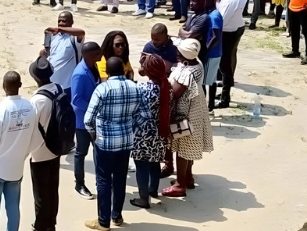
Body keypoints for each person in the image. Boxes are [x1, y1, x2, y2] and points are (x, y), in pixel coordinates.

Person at [83, 57, 151, 231]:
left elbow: (88, 120)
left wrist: (95, 136)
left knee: (103, 180)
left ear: (107, 71)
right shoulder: (135, 87)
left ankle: (103, 221)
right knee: (120, 179)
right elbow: (145, 115)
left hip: (105, 143)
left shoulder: (102, 89)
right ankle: (117, 216)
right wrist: (131, 128)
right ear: (123, 70)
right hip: (126, 141)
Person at [0, 71, 42, 231]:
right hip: (16, 170)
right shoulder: (30, 107)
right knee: (13, 208)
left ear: (3, 86)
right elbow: (36, 139)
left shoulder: (0, 110)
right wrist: (21, 155)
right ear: (20, 86)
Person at [162, 38, 213, 198]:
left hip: (186, 115)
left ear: (183, 55)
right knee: (187, 148)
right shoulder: (196, 64)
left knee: (183, 150)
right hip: (196, 111)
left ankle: (180, 184)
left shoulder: (187, 73)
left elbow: (174, 93)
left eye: (178, 51)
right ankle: (187, 178)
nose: (175, 52)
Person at [130, 54, 171, 209]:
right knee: (154, 163)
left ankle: (143, 198)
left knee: (141, 167)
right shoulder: (167, 88)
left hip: (142, 135)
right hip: (160, 134)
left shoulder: (142, 88)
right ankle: (153, 190)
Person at [28, 57, 62, 231]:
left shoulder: (37, 101)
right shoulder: (57, 89)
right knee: (52, 191)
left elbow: (32, 129)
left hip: (40, 152)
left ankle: (41, 226)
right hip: (57, 148)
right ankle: (51, 224)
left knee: (40, 195)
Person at [71, 41, 102, 200]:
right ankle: (79, 184)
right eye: (98, 53)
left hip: (94, 120)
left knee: (98, 151)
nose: (101, 55)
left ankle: (100, 182)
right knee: (81, 152)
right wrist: (94, 109)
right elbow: (76, 100)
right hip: (82, 122)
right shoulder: (80, 73)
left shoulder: (92, 66)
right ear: (90, 55)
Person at [216, 0, 247, 108]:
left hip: (229, 33)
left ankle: (225, 99)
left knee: (225, 66)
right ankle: (223, 94)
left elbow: (221, 21)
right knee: (225, 65)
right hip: (233, 29)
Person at [43, 11, 86, 96]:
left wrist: (59, 29)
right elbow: (49, 54)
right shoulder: (53, 36)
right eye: (59, 21)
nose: (61, 23)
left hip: (68, 86)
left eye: (64, 21)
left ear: (71, 22)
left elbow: (82, 32)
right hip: (51, 84)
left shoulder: (74, 38)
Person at [203, 0, 223, 109]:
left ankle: (207, 106)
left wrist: (206, 49)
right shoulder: (209, 13)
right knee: (211, 79)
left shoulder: (214, 15)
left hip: (212, 53)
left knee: (207, 81)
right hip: (212, 52)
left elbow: (216, 36)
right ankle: (209, 105)